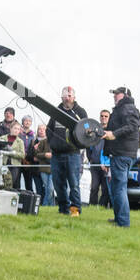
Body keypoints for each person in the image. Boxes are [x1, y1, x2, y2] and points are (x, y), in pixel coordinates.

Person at [45, 86, 88, 215]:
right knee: (58, 184)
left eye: (70, 96)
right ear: (62, 97)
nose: (68, 98)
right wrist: (53, 143)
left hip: (73, 154)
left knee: (74, 184)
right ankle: (63, 209)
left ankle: (75, 210)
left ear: (74, 97)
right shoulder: (56, 111)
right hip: (57, 154)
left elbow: (87, 129)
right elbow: (49, 129)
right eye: (65, 95)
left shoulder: (80, 112)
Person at [102, 86, 140, 227]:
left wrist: (114, 134)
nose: (114, 96)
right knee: (117, 187)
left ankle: (123, 222)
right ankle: (119, 218)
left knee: (119, 188)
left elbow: (132, 126)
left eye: (117, 94)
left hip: (122, 154)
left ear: (124, 95)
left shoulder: (128, 107)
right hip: (121, 153)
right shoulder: (122, 109)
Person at [88, 108, 111, 207]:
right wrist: (91, 159)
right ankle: (92, 207)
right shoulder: (95, 131)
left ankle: (103, 207)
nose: (103, 118)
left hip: (107, 165)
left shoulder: (111, 132)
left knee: (105, 189)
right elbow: (88, 147)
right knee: (94, 187)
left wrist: (108, 163)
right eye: (102, 116)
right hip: (95, 164)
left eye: (106, 116)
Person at [2, 121, 25, 189]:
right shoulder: (2, 138)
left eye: (18, 129)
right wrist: (3, 149)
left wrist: (12, 152)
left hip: (14, 166)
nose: (16, 130)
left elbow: (22, 155)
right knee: (3, 183)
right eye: (15, 128)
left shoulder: (20, 141)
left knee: (12, 184)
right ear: (10, 128)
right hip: (3, 164)